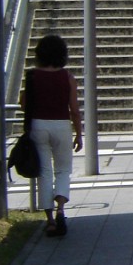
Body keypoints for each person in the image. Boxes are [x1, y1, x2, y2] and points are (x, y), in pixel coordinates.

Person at [21, 35, 83, 237]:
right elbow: (74, 109)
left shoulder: (32, 77)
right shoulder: (68, 78)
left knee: (45, 172)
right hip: (62, 125)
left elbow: (23, 103)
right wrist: (79, 134)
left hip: (39, 125)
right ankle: (61, 210)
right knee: (63, 169)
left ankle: (49, 221)